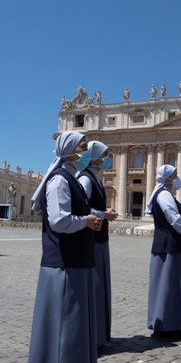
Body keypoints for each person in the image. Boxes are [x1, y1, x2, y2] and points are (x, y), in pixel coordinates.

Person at [25, 131, 102, 363]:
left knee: (71, 327)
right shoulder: (59, 179)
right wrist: (87, 221)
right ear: (70, 149)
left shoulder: (69, 176)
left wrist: (92, 218)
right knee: (65, 328)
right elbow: (59, 221)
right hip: (63, 264)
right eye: (82, 146)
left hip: (75, 262)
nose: (86, 150)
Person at [145, 164, 181, 336]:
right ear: (167, 178)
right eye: (175, 175)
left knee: (169, 284)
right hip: (169, 246)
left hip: (168, 245)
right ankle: (167, 324)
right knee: (168, 285)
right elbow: (174, 219)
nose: (177, 178)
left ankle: (171, 323)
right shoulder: (164, 196)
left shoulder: (163, 194)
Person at [78, 141, 119, 347]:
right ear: (94, 157)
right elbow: (79, 207)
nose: (107, 159)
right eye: (104, 155)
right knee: (95, 286)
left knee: (100, 286)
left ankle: (99, 335)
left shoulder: (95, 178)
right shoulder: (86, 179)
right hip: (92, 238)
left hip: (99, 237)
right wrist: (104, 214)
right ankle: (93, 336)